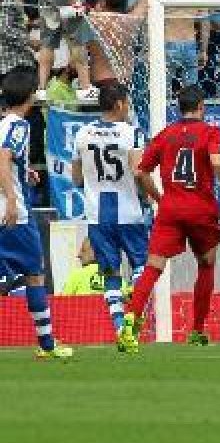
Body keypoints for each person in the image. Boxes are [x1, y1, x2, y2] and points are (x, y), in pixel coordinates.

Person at [120, 85, 220, 352]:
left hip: (171, 210)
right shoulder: (210, 131)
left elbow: (140, 172)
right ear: (201, 107)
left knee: (153, 266)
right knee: (206, 265)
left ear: (180, 108)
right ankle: (197, 330)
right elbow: (217, 162)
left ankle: (130, 319)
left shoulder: (166, 134)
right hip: (201, 209)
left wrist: (159, 199)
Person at [0, 67, 73, 360]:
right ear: (31, 95)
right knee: (34, 274)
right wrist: (12, 201)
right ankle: (46, 345)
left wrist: (23, 170)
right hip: (13, 214)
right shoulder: (20, 126)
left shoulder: (3, 124)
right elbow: (2, 159)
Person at [70, 83, 146, 346]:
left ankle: (119, 329)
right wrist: (154, 195)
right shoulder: (132, 133)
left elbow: (76, 177)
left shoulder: (82, 134)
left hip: (97, 214)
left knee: (110, 273)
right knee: (140, 267)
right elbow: (139, 171)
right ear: (119, 105)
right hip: (128, 211)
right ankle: (134, 317)